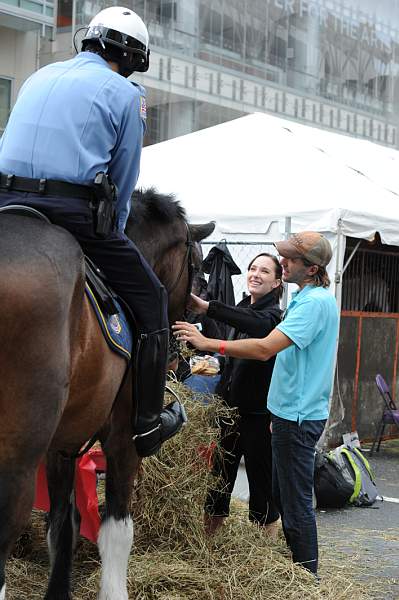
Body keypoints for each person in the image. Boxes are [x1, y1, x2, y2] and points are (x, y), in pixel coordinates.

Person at [0, 6, 185, 457]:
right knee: (152, 299)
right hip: (72, 212)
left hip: (5, 203)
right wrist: (116, 230)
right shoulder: (128, 95)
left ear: (90, 39)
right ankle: (145, 421)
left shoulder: (38, 76)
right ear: (133, 57)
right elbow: (122, 178)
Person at [173, 232, 339, 576]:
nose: (283, 263)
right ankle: (297, 570)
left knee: (293, 505)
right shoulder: (309, 298)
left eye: (288, 260)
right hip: (286, 413)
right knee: (282, 495)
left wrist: (209, 342)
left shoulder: (312, 305)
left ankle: (306, 577)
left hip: (296, 415)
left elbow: (264, 347)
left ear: (310, 269)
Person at [189, 253, 283, 536]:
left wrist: (208, 308)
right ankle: (206, 546)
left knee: (261, 489)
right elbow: (234, 353)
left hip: (257, 415)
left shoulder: (273, 317)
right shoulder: (243, 307)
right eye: (253, 268)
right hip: (229, 411)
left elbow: (254, 326)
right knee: (218, 482)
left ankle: (264, 553)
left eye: (264, 271)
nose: (255, 274)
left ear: (277, 281)